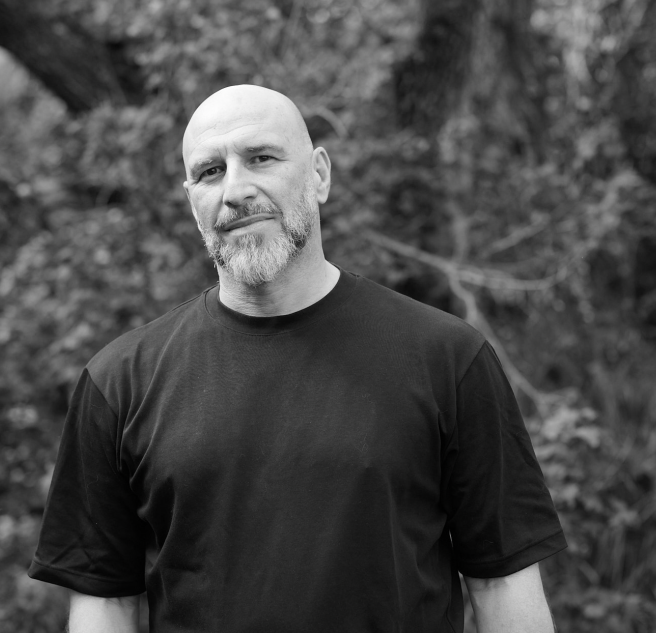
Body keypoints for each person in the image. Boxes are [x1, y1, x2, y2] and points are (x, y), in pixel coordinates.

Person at [29, 85, 567, 632]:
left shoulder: (448, 360)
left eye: (261, 158)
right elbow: (107, 604)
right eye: (210, 172)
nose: (236, 190)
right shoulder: (119, 383)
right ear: (192, 202)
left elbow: (500, 585)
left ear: (319, 175)